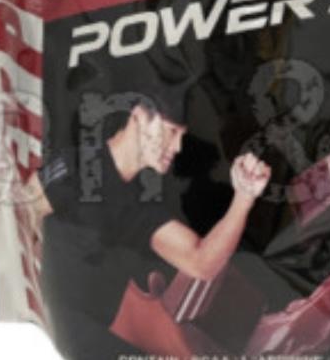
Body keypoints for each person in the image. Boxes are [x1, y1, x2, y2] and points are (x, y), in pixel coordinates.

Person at [32, 82, 271, 359]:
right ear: (139, 116)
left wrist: (244, 198)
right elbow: (19, 220)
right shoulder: (78, 167)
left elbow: (201, 262)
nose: (177, 146)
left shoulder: (140, 203)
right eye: (171, 131)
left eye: (181, 135)